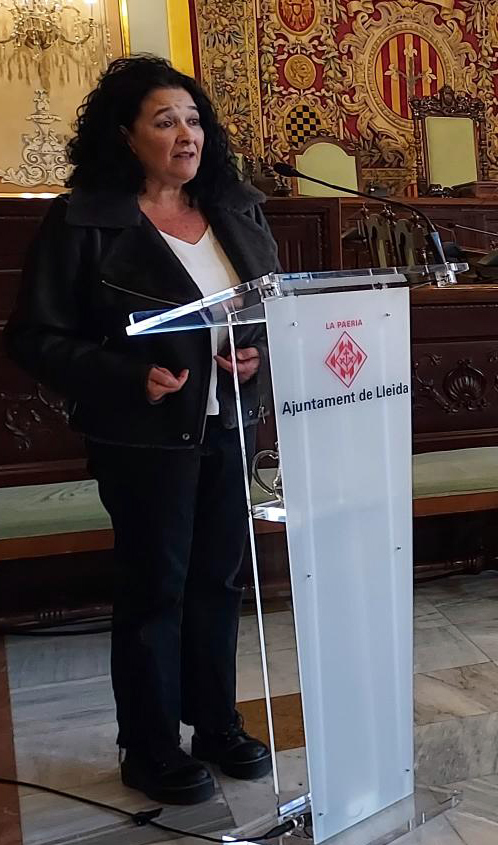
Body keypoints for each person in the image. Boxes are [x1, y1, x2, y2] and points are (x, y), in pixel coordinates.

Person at [4, 56, 276, 804]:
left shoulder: (235, 208)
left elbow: (267, 306)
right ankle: (149, 744)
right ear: (125, 136)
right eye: (165, 121)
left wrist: (257, 353)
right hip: (145, 435)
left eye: (193, 120)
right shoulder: (86, 219)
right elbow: (33, 335)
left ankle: (215, 722)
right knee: (157, 585)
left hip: (227, 426)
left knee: (219, 580)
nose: (185, 135)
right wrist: (129, 375)